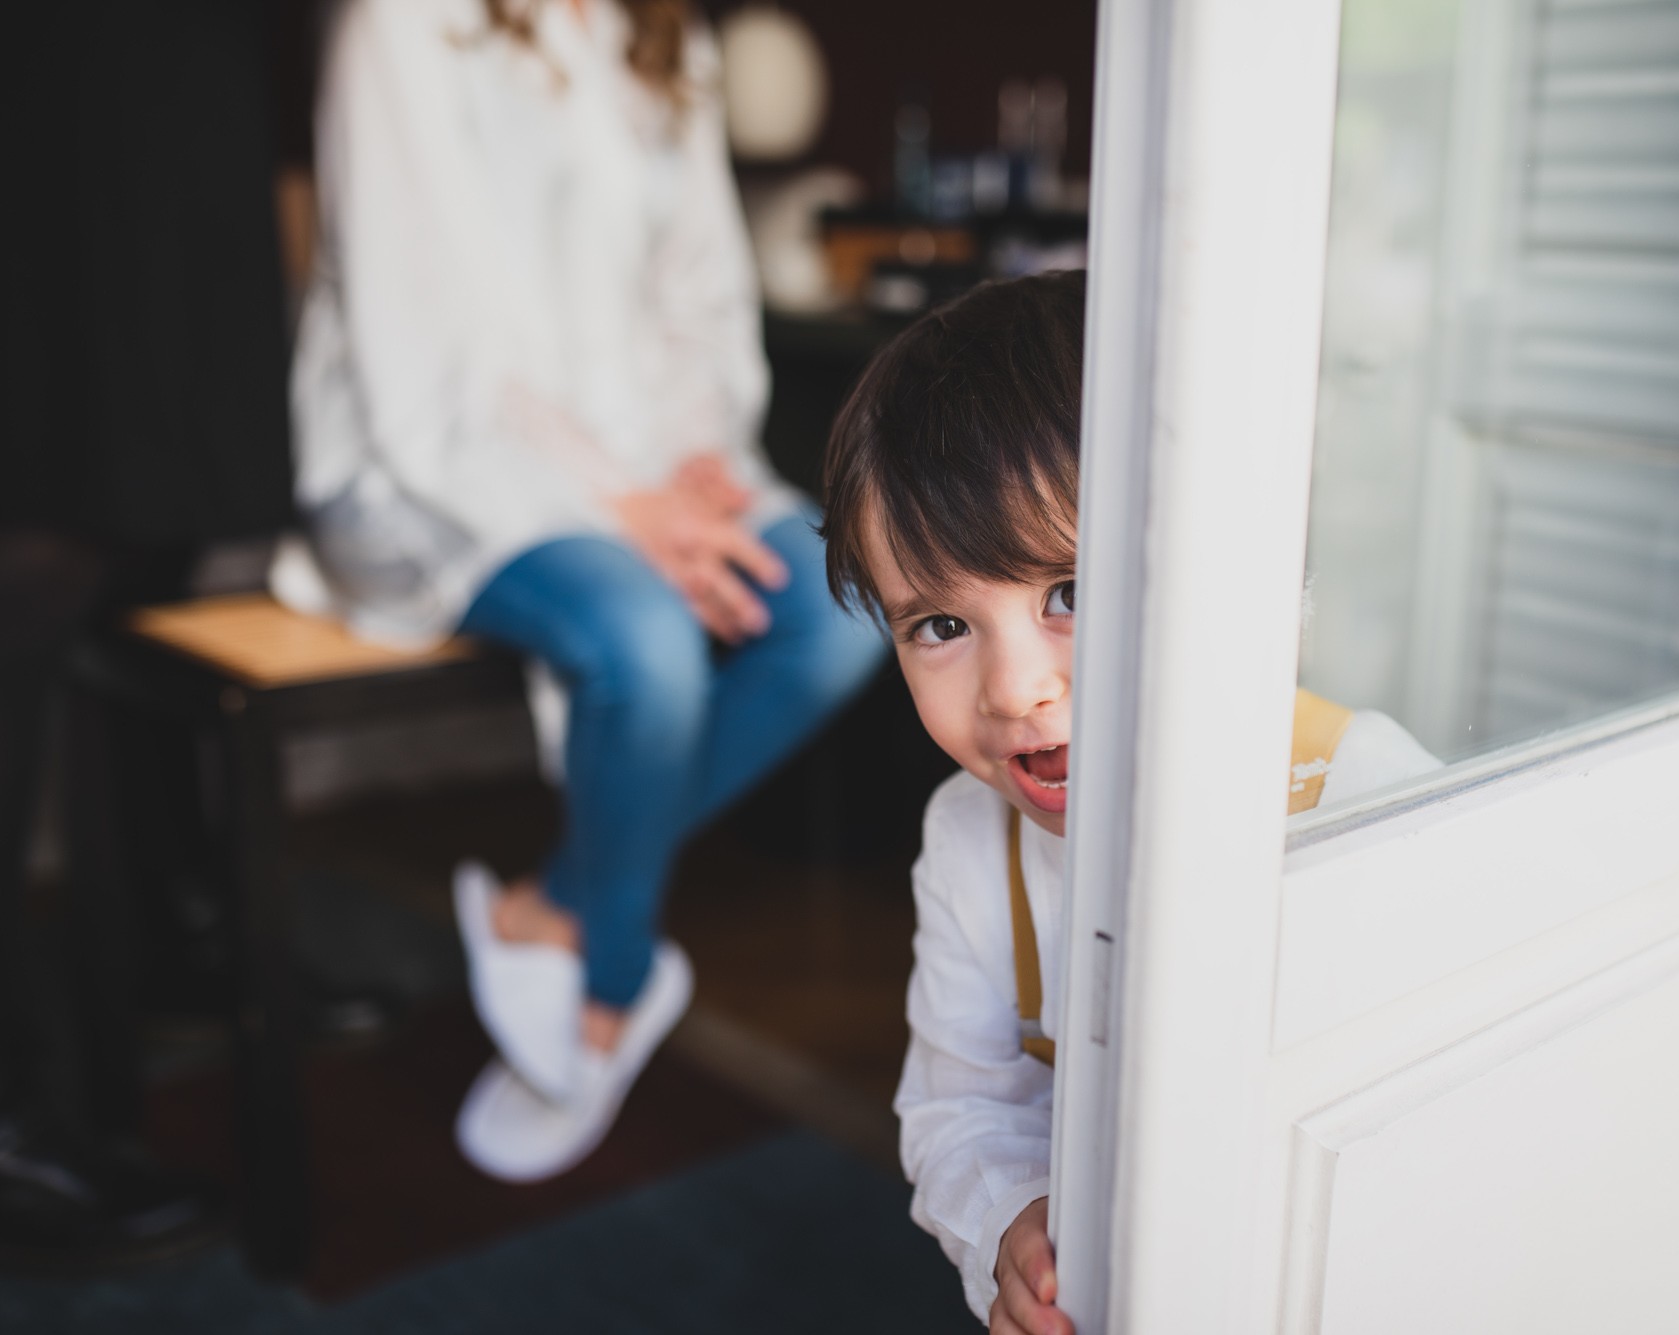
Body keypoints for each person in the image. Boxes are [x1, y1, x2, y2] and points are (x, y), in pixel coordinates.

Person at [281, 0, 884, 1181]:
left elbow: (699, 298)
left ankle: (554, 904)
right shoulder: (403, 26)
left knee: (845, 596)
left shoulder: (669, 40)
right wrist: (623, 505)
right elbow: (428, 341)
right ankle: (612, 991)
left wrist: (699, 456)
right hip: (427, 460)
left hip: (646, 460)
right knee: (644, 642)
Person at [818, 271, 1440, 1331]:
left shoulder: (1364, 802)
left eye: (1068, 592)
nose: (1014, 691)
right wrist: (1009, 1217)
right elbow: (960, 1108)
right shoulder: (974, 844)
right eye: (938, 626)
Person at [0, 0, 293, 1268]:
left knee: (144, 542)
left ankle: (172, 941)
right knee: (36, 544)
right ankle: (12, 1117)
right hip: (62, 79)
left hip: (182, 77)